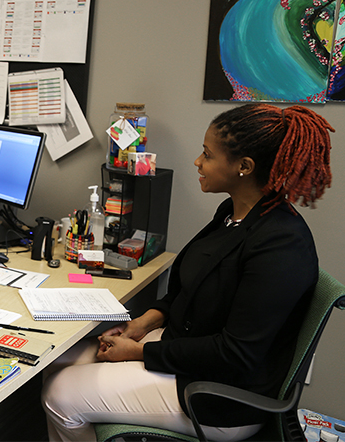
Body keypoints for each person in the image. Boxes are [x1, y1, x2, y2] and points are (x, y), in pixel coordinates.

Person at [41, 103, 334, 441]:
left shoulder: (281, 245)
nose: (198, 162)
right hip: (184, 345)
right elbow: (189, 290)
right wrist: (143, 323)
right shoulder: (232, 213)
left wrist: (138, 352)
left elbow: (235, 354)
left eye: (207, 155)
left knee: (60, 395)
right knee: (59, 361)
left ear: (244, 166)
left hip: (219, 394)